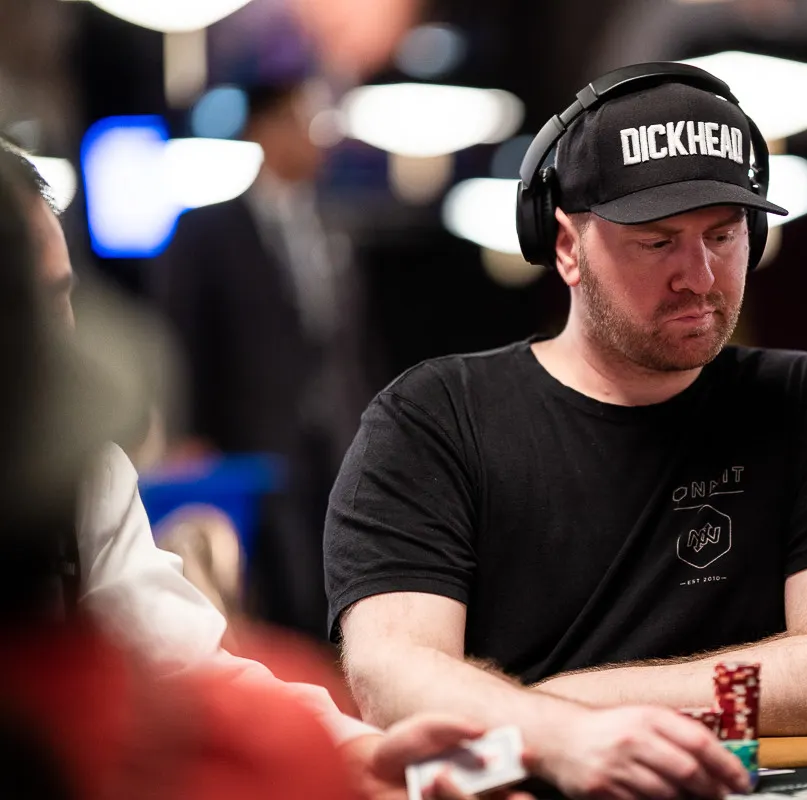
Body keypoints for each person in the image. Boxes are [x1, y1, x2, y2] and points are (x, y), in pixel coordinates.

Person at [327, 65, 807, 798]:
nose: (698, 276)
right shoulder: (432, 418)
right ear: (567, 247)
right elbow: (394, 676)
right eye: (656, 241)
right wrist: (565, 742)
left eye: (723, 234)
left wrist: (563, 707)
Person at [0, 138, 524, 800]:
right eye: (30, 311)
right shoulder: (212, 231)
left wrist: (356, 750)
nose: (63, 337)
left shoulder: (90, 470)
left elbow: (184, 656)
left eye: (62, 296)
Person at [152, 78, 380, 640]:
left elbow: (352, 339)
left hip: (337, 436)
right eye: (305, 123)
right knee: (275, 593)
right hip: (248, 441)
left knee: (338, 576)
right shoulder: (208, 230)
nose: (318, 139)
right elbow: (179, 336)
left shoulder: (332, 224)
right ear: (265, 129)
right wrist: (187, 432)